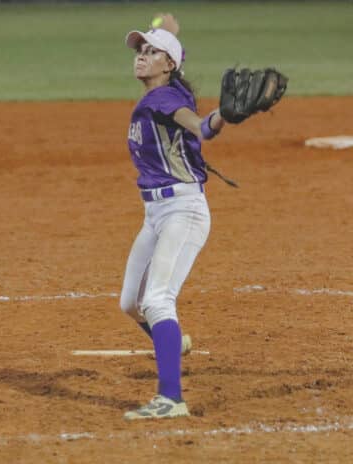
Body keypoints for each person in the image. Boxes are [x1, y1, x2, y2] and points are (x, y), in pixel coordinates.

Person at [119, 14, 226, 420]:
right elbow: (174, 61)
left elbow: (198, 126)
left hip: (183, 210)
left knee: (158, 299)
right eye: (140, 50)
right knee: (131, 303)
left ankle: (171, 399)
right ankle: (171, 340)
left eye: (151, 52)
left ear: (169, 65)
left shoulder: (164, 99)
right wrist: (168, 33)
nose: (141, 57)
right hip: (156, 214)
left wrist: (218, 119)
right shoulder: (164, 88)